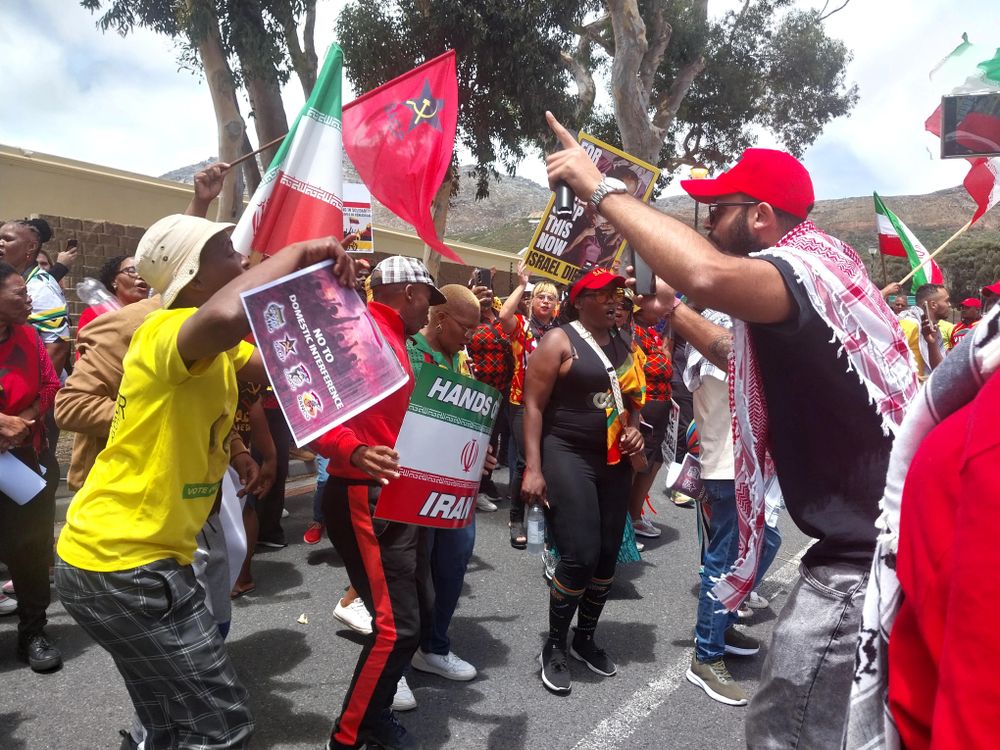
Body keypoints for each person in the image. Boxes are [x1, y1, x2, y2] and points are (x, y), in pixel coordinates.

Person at [545, 113, 918, 745]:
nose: (707, 226)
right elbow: (726, 349)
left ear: (761, 217)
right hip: (877, 555)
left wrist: (599, 186)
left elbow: (709, 275)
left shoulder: (799, 270)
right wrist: (676, 311)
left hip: (863, 569)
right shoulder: (820, 274)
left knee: (782, 734)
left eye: (715, 210)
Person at [54, 213, 355, 749]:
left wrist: (324, 306)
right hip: (125, 564)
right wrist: (301, 253)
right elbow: (224, 314)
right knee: (223, 722)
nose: (241, 261)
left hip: (125, 561)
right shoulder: (163, 332)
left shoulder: (211, 350)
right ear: (193, 278)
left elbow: (264, 360)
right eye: (228, 253)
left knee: (168, 720)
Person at [313, 255, 444, 750]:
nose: (428, 312)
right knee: (394, 629)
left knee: (409, 621)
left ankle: (373, 717)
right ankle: (348, 737)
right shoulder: (362, 330)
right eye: (428, 300)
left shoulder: (394, 340)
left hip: (393, 495)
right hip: (360, 494)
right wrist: (354, 451)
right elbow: (311, 408)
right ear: (410, 292)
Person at [521, 268, 645, 695]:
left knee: (608, 556)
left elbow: (632, 402)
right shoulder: (559, 340)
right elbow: (532, 406)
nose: (614, 301)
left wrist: (635, 428)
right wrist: (533, 468)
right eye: (602, 295)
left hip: (612, 460)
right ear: (578, 301)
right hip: (566, 453)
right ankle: (553, 646)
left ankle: (584, 638)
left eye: (617, 295)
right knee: (580, 554)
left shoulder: (625, 343)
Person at [407, 284, 484, 685]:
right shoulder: (408, 353)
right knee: (410, 571)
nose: (470, 337)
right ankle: (394, 664)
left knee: (452, 564)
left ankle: (434, 647)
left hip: (456, 488)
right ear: (440, 319)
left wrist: (480, 444)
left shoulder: (459, 361)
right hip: (415, 483)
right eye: (465, 328)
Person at [0, 261, 62, 672]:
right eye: (19, 292)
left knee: (31, 552)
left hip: (25, 465)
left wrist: (22, 419)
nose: (29, 298)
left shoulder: (28, 336)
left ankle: (33, 632)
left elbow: (50, 385)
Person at [499, 261, 558, 549]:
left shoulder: (560, 332)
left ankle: (543, 514)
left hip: (551, 405)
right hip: (520, 402)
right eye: (541, 297)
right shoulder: (521, 327)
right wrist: (522, 284)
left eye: (551, 298)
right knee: (524, 461)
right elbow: (503, 314)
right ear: (532, 302)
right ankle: (516, 518)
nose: (545, 301)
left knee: (548, 460)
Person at [621, 291, 674, 540]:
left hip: (662, 407)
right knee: (635, 463)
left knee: (653, 462)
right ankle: (621, 524)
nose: (662, 311)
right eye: (657, 306)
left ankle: (634, 517)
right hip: (644, 408)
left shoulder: (652, 333)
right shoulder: (632, 332)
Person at [465, 285, 514, 511]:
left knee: (492, 440)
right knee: (473, 439)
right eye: (480, 294)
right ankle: (470, 489)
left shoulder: (499, 317)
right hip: (475, 389)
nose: (486, 297)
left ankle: (484, 483)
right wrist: (472, 308)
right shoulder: (467, 318)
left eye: (489, 293)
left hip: (500, 390)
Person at [76, 255, 151, 332]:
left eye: (145, 272)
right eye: (132, 270)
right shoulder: (93, 315)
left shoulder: (156, 313)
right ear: (114, 281)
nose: (141, 276)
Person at [898, 283, 954, 380]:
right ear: (933, 305)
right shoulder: (909, 324)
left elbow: (939, 370)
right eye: (947, 301)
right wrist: (909, 376)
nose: (949, 305)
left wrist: (932, 343)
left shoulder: (934, 330)